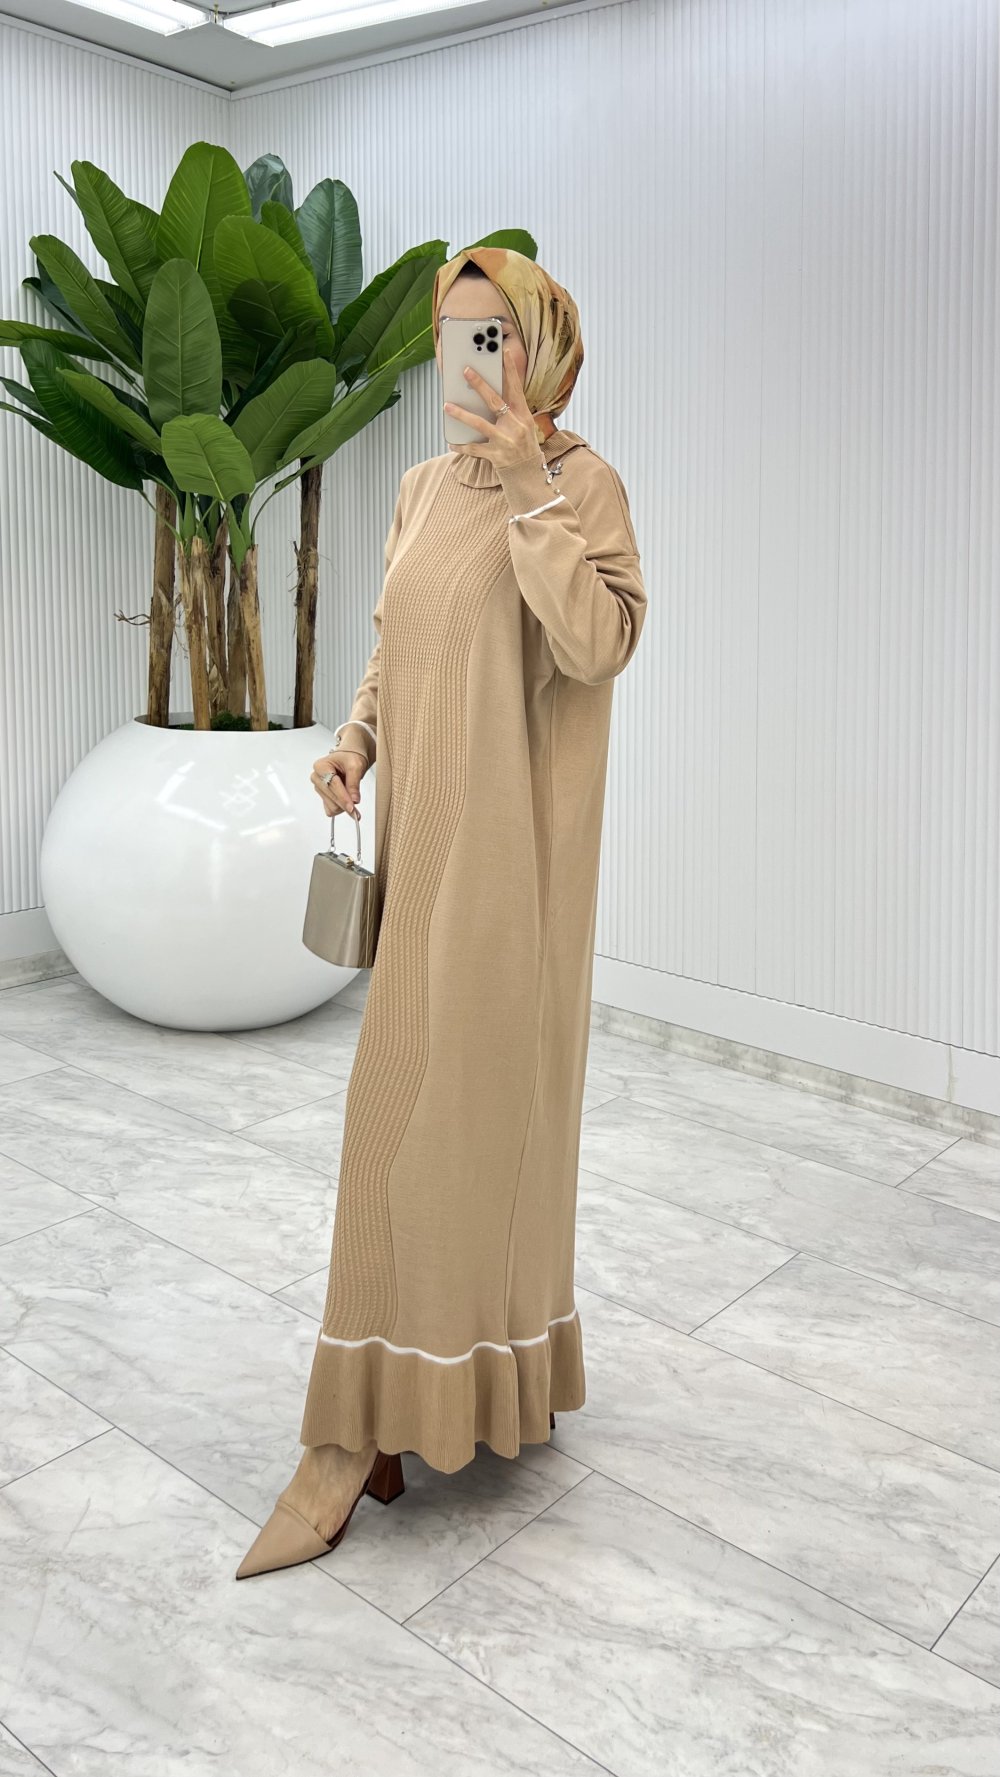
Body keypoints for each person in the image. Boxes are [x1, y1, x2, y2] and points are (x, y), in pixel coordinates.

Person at [236, 246, 648, 1580]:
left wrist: (532, 485)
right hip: (418, 854)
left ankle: (371, 1432)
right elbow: (395, 641)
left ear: (545, 351)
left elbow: (598, 644)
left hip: (511, 879)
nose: (470, 365)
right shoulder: (420, 488)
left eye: (495, 337)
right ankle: (398, 1406)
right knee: (409, 1132)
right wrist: (355, 739)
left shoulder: (584, 486)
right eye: (455, 340)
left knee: (464, 1141)